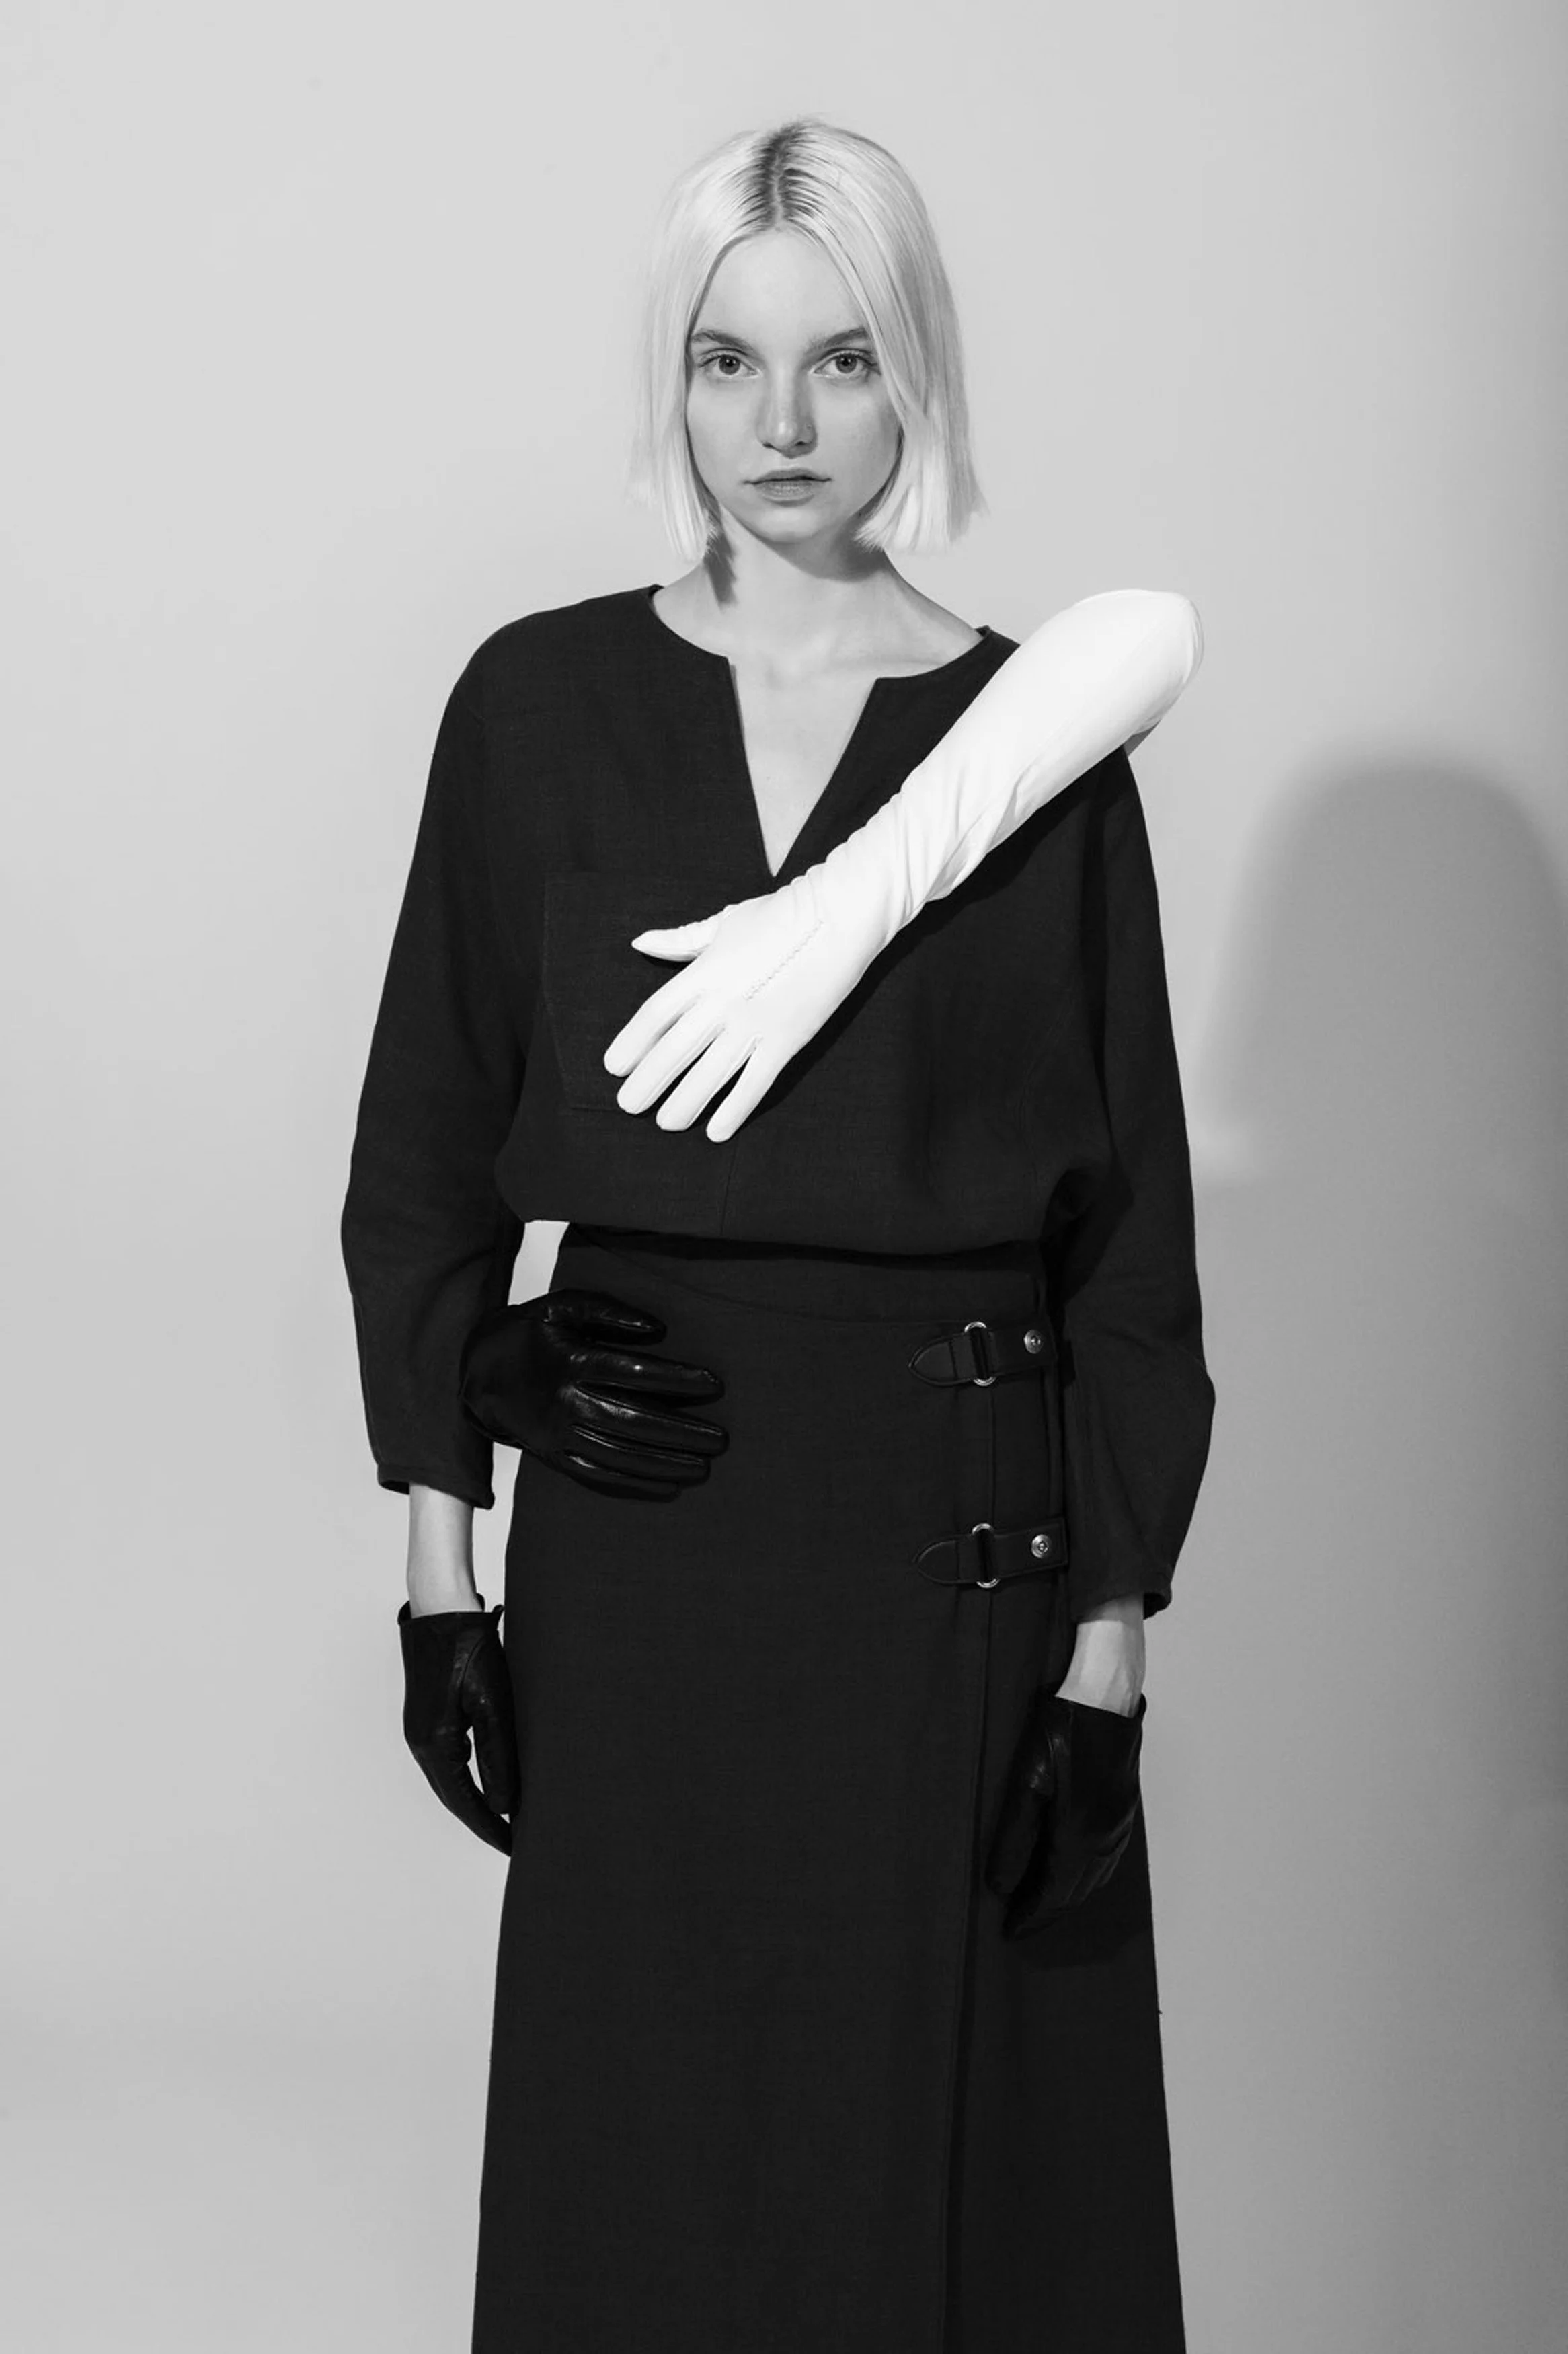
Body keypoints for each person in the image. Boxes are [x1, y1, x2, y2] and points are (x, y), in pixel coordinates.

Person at [341, 114, 1216, 2354]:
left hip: (951, 1574)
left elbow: (1126, 1251)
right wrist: (443, 1564)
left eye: (840, 360)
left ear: (914, 372)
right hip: (644, 1560)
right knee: (648, 2190)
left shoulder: (1030, 752)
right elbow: (423, 1158)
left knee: (947, 2220)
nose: (783, 424)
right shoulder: (537, 707)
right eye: (728, 362)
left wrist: (1104, 1667)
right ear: (675, 380)